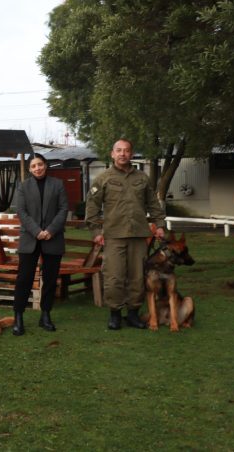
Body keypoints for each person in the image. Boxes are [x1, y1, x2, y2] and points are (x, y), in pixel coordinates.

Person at [85, 138, 165, 330]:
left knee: (137, 276)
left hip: (139, 235)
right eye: (118, 150)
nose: (122, 154)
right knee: (114, 276)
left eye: (126, 150)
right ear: (112, 154)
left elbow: (153, 205)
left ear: (131, 154)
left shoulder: (142, 179)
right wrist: (96, 231)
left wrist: (159, 224)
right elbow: (92, 206)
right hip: (113, 235)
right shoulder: (103, 179)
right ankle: (115, 314)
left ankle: (133, 314)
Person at [11, 153, 69, 335]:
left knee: (50, 279)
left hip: (54, 238)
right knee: (24, 279)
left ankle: (45, 315)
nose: (38, 168)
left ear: (46, 165)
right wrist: (37, 232)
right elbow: (21, 211)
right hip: (30, 239)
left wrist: (50, 230)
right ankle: (18, 317)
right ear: (29, 169)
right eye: (34, 165)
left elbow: (63, 209)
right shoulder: (23, 186)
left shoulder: (57, 184)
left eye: (40, 164)